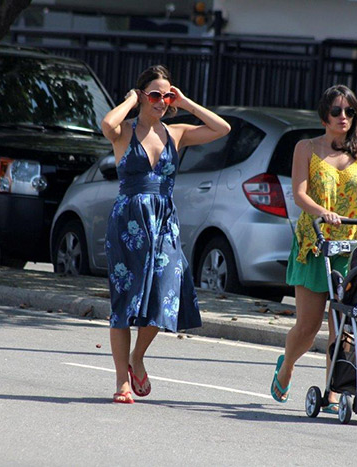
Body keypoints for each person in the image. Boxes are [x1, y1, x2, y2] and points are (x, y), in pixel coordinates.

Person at [101, 65, 230, 404]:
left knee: (165, 295)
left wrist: (185, 102)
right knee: (124, 304)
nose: (162, 101)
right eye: (155, 94)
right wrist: (130, 101)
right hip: (129, 223)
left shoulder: (176, 133)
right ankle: (121, 383)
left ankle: (137, 357)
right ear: (143, 94)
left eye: (166, 95)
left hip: (164, 222)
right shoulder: (124, 131)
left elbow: (222, 128)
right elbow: (106, 124)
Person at [270, 85, 357, 410]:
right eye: (336, 111)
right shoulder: (306, 148)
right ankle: (288, 364)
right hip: (315, 244)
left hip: (350, 250)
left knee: (344, 326)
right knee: (307, 326)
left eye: (349, 112)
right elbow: (299, 193)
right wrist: (322, 212)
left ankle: (334, 391)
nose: (343, 117)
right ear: (324, 115)